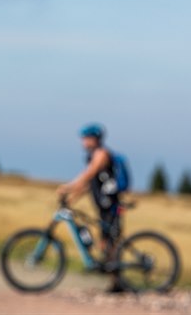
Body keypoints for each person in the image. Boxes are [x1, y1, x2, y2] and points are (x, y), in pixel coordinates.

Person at [57, 123, 125, 293]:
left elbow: (89, 174)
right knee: (104, 242)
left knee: (111, 242)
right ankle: (113, 281)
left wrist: (68, 186)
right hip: (102, 206)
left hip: (111, 204)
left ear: (95, 139)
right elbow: (89, 184)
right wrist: (72, 199)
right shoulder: (92, 155)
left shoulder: (102, 154)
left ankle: (117, 283)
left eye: (86, 138)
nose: (83, 142)